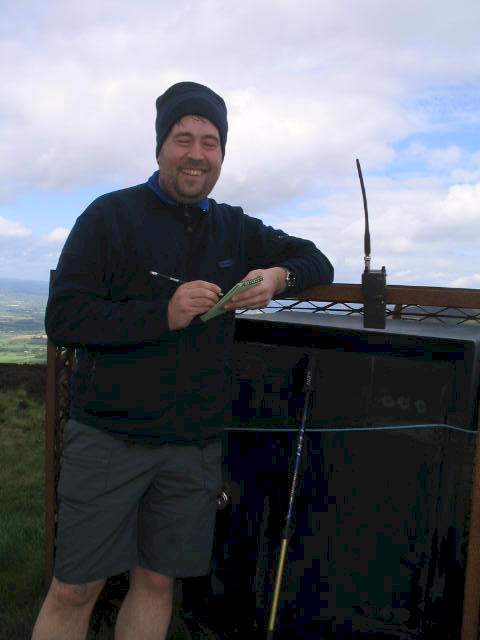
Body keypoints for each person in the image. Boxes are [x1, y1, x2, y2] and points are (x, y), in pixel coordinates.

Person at [32, 81, 334, 640]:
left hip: (190, 444)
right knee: (75, 586)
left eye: (211, 142)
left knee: (157, 583)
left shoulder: (234, 227)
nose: (197, 154)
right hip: (107, 438)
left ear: (222, 153)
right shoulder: (109, 216)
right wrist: (162, 314)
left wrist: (276, 277)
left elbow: (317, 260)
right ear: (160, 147)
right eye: (183, 139)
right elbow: (64, 318)